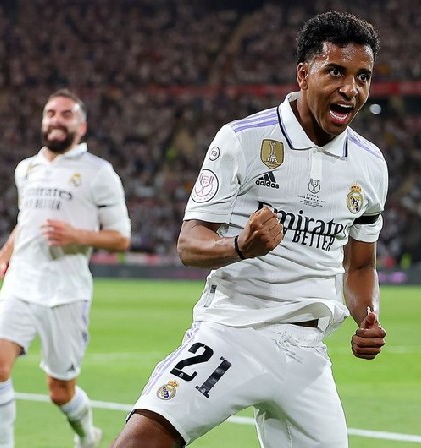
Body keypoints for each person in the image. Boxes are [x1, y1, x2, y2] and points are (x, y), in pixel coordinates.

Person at [112, 10, 387, 448]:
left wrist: (367, 315)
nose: (351, 89)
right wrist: (240, 246)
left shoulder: (370, 165)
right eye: (336, 71)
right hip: (233, 333)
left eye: (363, 77)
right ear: (303, 75)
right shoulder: (243, 139)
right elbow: (189, 244)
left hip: (307, 355)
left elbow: (359, 266)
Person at [0, 89, 131, 448]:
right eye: (50, 113)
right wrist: (3, 257)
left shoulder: (99, 173)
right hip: (20, 284)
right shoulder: (27, 169)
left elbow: (121, 239)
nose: (56, 120)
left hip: (66, 291)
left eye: (66, 114)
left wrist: (76, 235)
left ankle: (87, 436)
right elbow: (26, 222)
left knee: (60, 391)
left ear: (82, 126)